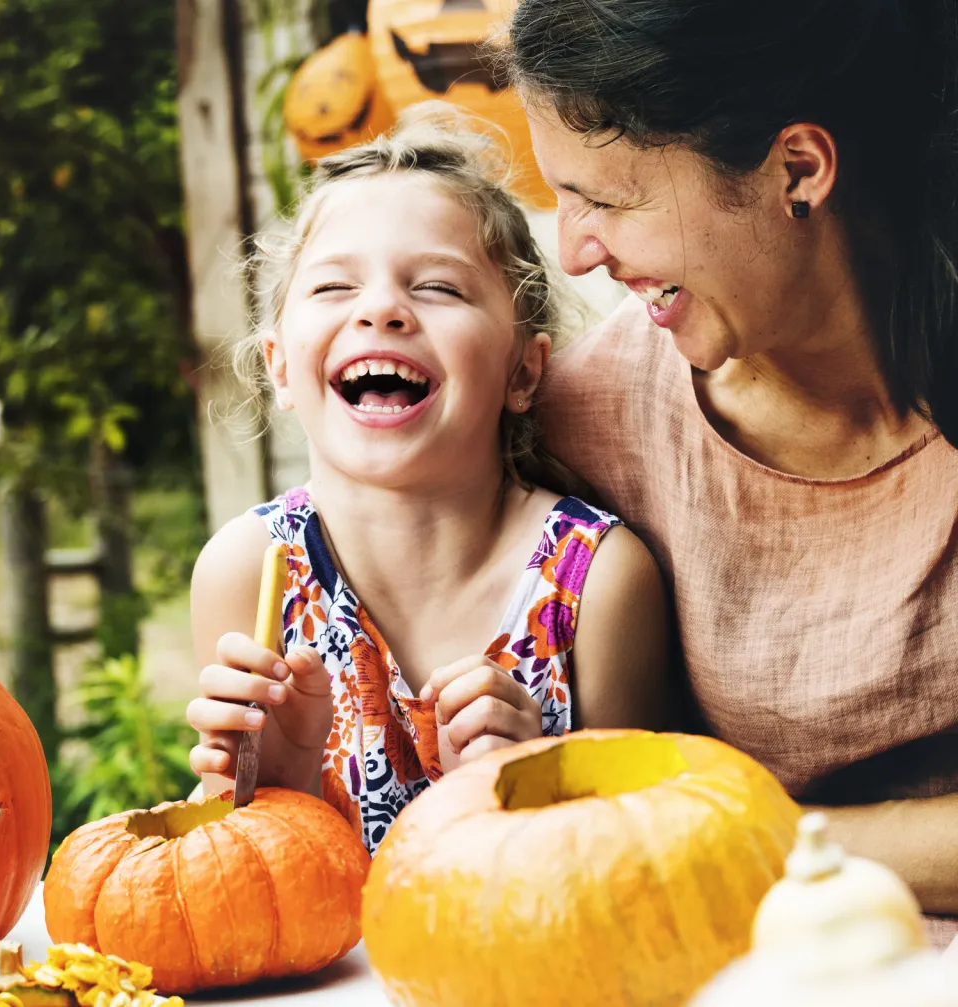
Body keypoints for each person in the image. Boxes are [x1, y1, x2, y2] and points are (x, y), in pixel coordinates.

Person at [507, 0, 958, 944]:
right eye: (562, 198)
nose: (576, 252)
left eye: (607, 199)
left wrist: (750, 841)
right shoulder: (591, 422)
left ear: (798, 169)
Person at [184, 107, 669, 854]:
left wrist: (533, 793)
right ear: (281, 367)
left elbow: (647, 859)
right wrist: (279, 791)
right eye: (333, 287)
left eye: (439, 287)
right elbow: (228, 880)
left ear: (523, 369)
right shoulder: (250, 573)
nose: (381, 309)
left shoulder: (598, 583)